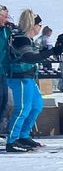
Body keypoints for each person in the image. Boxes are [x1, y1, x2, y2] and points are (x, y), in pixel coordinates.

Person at [5, 10, 51, 152]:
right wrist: (50, 52)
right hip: (20, 77)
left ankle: (23, 135)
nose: (40, 28)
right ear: (33, 25)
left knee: (37, 105)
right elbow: (28, 58)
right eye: (39, 25)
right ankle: (12, 140)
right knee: (23, 108)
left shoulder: (27, 39)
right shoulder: (21, 38)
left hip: (28, 76)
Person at [0, 5, 10, 134]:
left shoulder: (7, 30)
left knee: (4, 100)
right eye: (4, 16)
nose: (6, 18)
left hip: (4, 69)